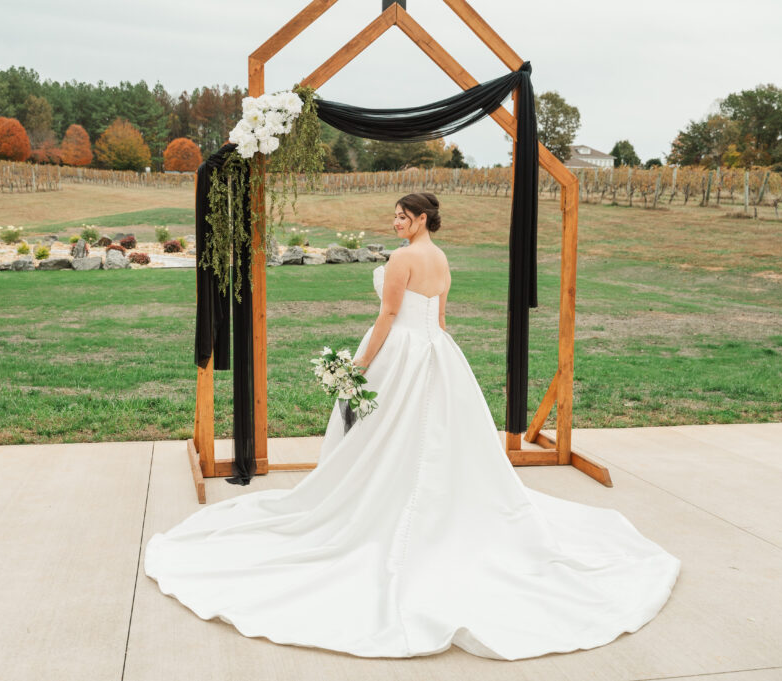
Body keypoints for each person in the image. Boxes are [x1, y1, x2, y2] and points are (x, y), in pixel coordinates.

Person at [144, 192, 681, 660]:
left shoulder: (403, 260)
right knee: (435, 439)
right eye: (396, 216)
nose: (396, 223)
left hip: (401, 350)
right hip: (437, 354)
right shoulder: (443, 259)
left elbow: (387, 318)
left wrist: (357, 369)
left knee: (388, 433)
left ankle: (380, 506)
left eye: (403, 216)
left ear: (422, 219)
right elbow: (442, 320)